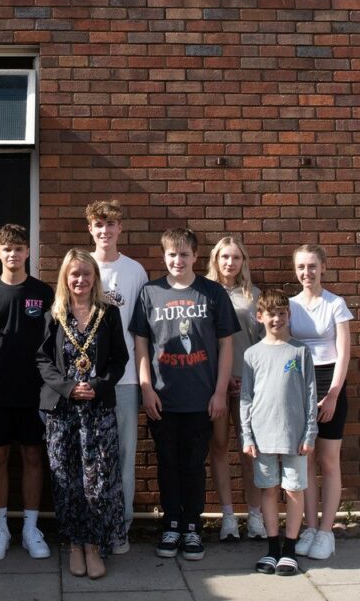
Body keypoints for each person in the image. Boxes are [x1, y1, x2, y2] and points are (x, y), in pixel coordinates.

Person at [130, 227, 238, 562]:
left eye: (185, 254)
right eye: (172, 255)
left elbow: (226, 345)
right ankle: (172, 524)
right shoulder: (150, 292)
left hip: (201, 397)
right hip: (163, 397)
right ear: (164, 256)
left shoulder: (212, 292)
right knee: (167, 463)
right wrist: (146, 388)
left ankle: (193, 526)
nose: (179, 260)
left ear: (195, 256)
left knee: (194, 464)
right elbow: (141, 344)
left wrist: (220, 392)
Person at [37, 249, 128, 579]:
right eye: (74, 274)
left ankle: (95, 546)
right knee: (67, 481)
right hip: (63, 412)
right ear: (65, 277)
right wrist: (67, 387)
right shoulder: (54, 314)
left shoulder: (109, 314)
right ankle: (75, 544)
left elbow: (119, 360)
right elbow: (43, 361)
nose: (80, 279)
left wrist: (99, 385)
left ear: (95, 278)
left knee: (98, 481)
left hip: (98, 410)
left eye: (86, 274)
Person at [0, 224, 54, 561]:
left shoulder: (44, 292)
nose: (13, 254)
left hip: (35, 392)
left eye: (19, 248)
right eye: (7, 248)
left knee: (34, 457)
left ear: (28, 253)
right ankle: (1, 528)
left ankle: (31, 528)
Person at [85, 200, 148, 553]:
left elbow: (140, 333)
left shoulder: (134, 271)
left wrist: (143, 380)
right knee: (90, 456)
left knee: (123, 456)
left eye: (111, 225)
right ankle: (92, 525)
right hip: (86, 382)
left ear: (120, 229)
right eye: (99, 225)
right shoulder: (80, 266)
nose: (105, 231)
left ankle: (120, 527)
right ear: (90, 229)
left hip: (124, 382)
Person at [241, 289, 318, 576]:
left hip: (295, 436)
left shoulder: (300, 350)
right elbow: (246, 398)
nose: (277, 318)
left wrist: (310, 433)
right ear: (260, 317)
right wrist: (247, 436)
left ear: (289, 315)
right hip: (262, 437)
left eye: (282, 313)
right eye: (271, 313)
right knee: (269, 490)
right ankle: (272, 548)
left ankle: (289, 549)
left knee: (294, 490)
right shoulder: (252, 354)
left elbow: (311, 394)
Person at [288, 244, 353, 561]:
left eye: (312, 266)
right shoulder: (290, 306)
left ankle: (327, 532)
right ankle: (310, 528)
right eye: (301, 267)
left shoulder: (335, 304)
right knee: (305, 462)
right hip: (300, 384)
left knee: (328, 462)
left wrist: (333, 395)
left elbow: (344, 354)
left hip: (330, 385)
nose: (306, 272)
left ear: (323, 267)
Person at [206, 237, 267, 541]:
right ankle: (228, 516)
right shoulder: (204, 292)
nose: (230, 263)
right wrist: (221, 376)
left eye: (236, 258)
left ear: (244, 262)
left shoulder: (253, 296)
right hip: (215, 383)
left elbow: (264, 342)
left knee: (249, 450)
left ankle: (254, 515)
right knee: (218, 447)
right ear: (215, 260)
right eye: (225, 257)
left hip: (247, 384)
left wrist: (252, 377)